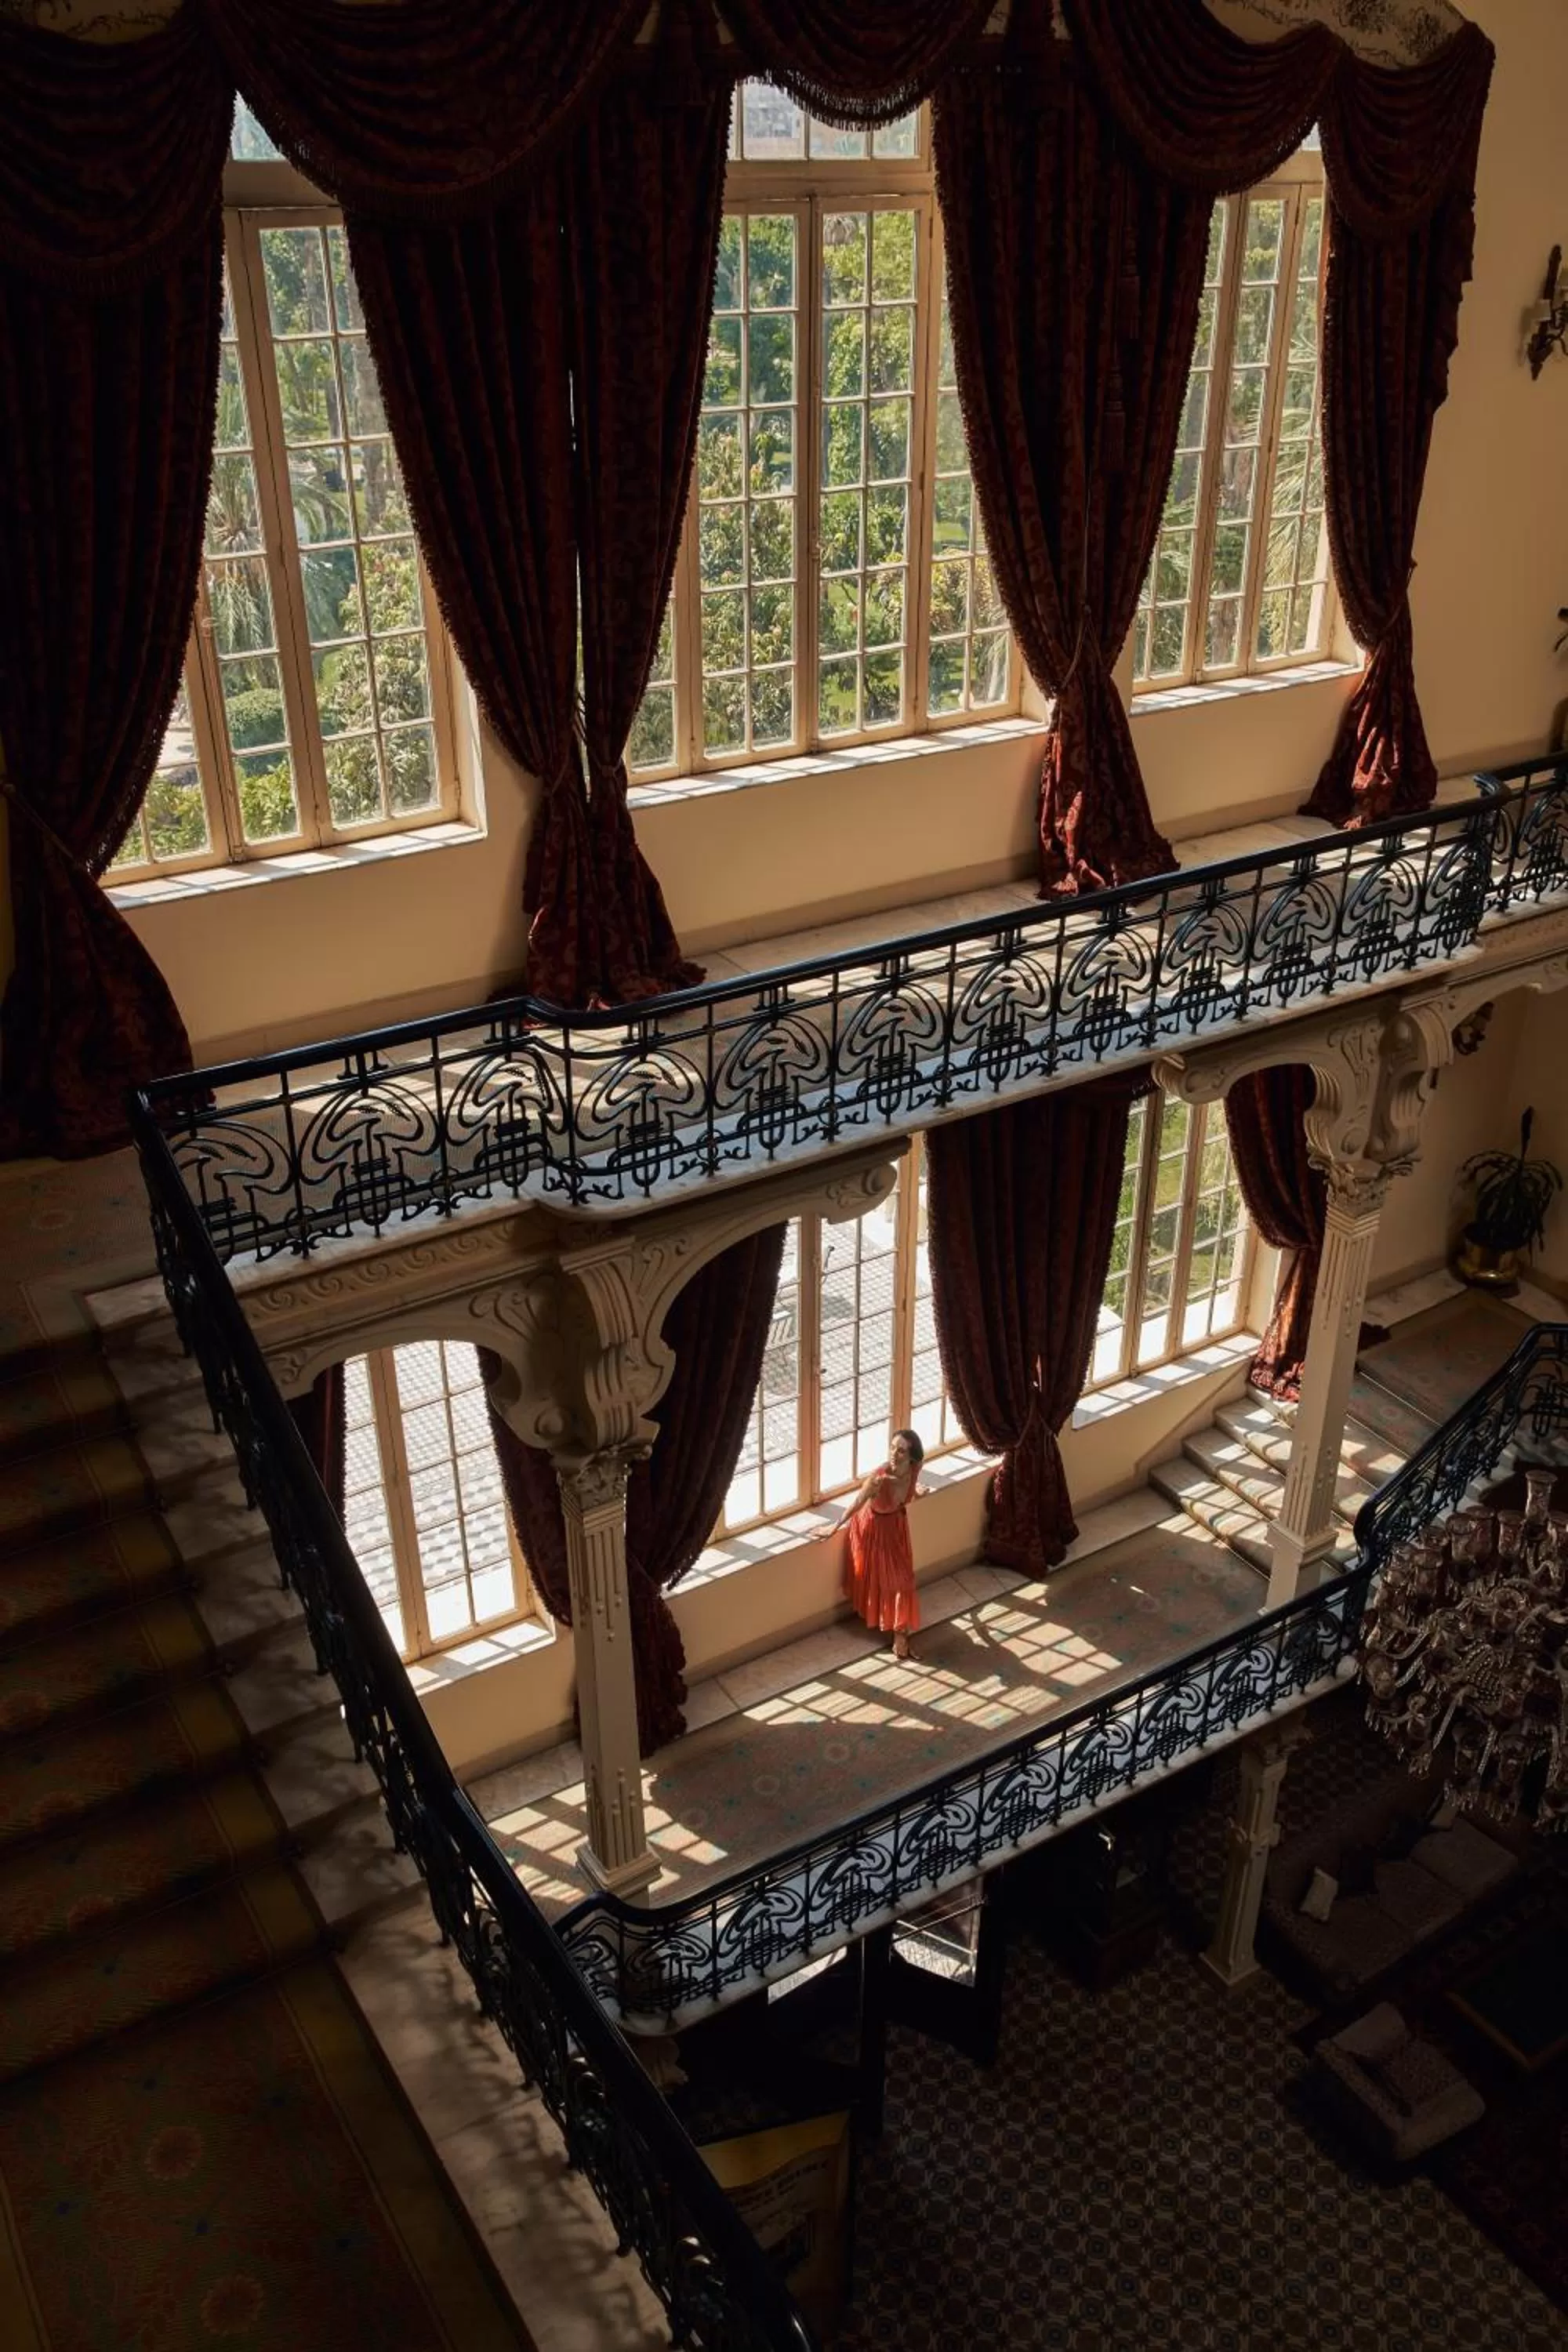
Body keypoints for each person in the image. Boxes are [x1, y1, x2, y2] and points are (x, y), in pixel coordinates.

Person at [839, 1428, 926, 1659]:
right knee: (895, 1583)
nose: (894, 1454)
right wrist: (833, 1528)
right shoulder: (879, 1478)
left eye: (901, 1450)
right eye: (892, 1447)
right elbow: (857, 1503)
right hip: (873, 1531)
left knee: (904, 1580)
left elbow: (908, 1489)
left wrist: (916, 1493)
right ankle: (900, 1636)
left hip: (896, 1527)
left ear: (912, 1457)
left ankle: (900, 1634)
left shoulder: (914, 1470)